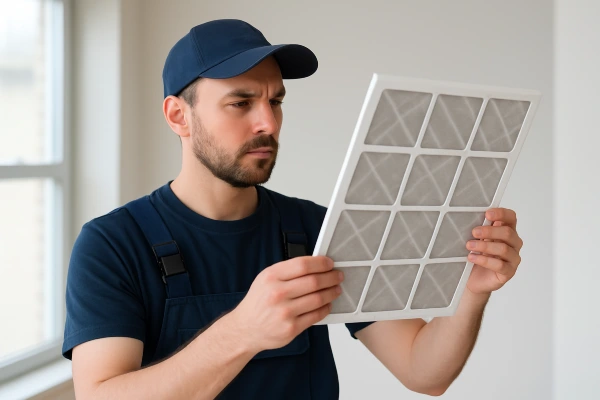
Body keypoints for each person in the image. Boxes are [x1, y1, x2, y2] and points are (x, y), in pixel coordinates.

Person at [63, 19, 524, 400]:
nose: (268, 122)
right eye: (241, 102)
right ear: (178, 116)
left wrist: (473, 291)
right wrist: (243, 331)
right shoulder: (112, 245)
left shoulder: (315, 228)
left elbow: (424, 372)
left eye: (275, 101)